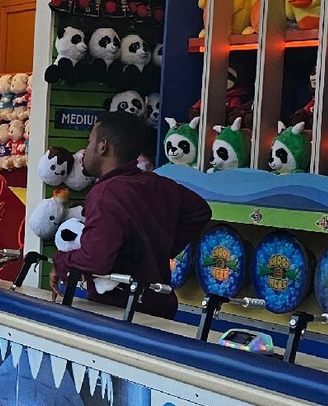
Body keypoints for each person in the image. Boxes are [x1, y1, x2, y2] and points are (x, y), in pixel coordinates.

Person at [51, 111, 212, 319]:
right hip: (159, 308)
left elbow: (95, 258)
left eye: (89, 141)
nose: (84, 152)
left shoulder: (105, 193)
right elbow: (200, 210)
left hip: (119, 313)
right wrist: (160, 248)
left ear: (103, 146)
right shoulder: (158, 184)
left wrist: (61, 262)